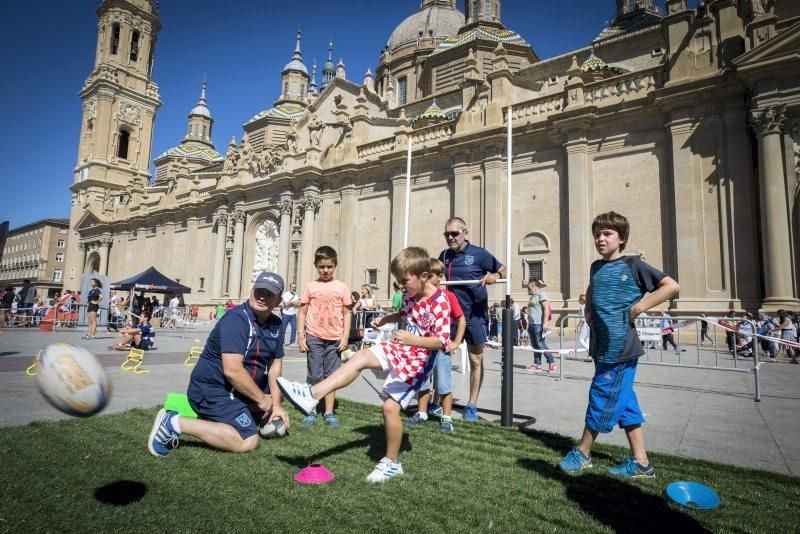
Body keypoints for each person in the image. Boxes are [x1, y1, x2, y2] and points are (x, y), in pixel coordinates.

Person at [278, 247, 451, 482]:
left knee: (390, 409)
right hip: (401, 349)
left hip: (417, 363)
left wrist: (415, 340)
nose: (400, 286)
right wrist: (386, 318)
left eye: (404, 281)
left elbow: (441, 340)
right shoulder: (412, 293)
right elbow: (405, 313)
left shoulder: (441, 301)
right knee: (359, 357)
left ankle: (392, 462)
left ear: (422, 276)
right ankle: (311, 395)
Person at [559, 211, 680, 478]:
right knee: (624, 401)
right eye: (597, 235)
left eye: (607, 234)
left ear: (621, 239)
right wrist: (589, 310)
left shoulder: (633, 264)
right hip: (601, 346)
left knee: (601, 396)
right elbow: (592, 289)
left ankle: (582, 453)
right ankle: (641, 462)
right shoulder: (596, 266)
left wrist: (639, 307)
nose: (600, 239)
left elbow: (671, 286)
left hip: (620, 348)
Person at [148, 273, 289, 457]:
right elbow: (232, 371)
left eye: (269, 294)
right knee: (248, 440)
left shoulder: (276, 324)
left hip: (235, 390)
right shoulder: (237, 319)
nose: (262, 297)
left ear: (278, 300)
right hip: (211, 389)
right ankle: (173, 422)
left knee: (277, 394)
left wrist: (275, 405)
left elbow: (275, 367)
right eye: (259, 291)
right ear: (251, 291)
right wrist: (263, 402)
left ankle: (236, 413)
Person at [438, 217, 504, 422]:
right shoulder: (444, 256)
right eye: (447, 234)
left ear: (465, 233)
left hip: (474, 316)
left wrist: (494, 275)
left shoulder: (479, 253)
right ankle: (437, 401)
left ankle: (472, 405)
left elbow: (502, 269)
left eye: (454, 233)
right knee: (441, 358)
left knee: (475, 360)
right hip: (450, 317)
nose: (450, 237)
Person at [405, 258, 466, 433]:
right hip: (422, 349)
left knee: (443, 384)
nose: (425, 279)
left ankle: (447, 418)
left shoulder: (447, 296)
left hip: (440, 349)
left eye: (429, 276)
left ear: (439, 277)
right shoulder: (418, 296)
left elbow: (461, 319)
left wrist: (455, 342)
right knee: (423, 382)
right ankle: (422, 412)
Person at [296, 246, 352, 428]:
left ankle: (328, 412)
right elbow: (302, 312)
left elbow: (347, 313)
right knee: (314, 375)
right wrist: (301, 336)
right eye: (321, 267)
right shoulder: (310, 286)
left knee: (332, 376)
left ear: (335, 265)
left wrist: (345, 337)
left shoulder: (341, 287)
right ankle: (311, 410)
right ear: (316, 266)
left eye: (329, 267)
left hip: (335, 338)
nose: (326, 271)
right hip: (314, 336)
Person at [526, 280, 556, 373]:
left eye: (528, 287)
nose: (527, 289)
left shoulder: (541, 294)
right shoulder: (533, 296)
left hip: (538, 323)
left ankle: (552, 363)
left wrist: (545, 322)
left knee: (540, 344)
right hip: (531, 324)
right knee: (535, 345)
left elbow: (546, 308)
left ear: (532, 285)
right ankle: (537, 364)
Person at [279, 282, 300, 346]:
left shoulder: (295, 295)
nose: (294, 288)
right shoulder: (286, 294)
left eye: (295, 287)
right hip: (286, 313)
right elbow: (286, 304)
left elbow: (298, 303)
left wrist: (290, 303)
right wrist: (293, 302)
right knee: (283, 328)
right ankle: (281, 341)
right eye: (293, 287)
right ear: (290, 287)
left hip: (293, 313)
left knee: (294, 328)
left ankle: (292, 342)